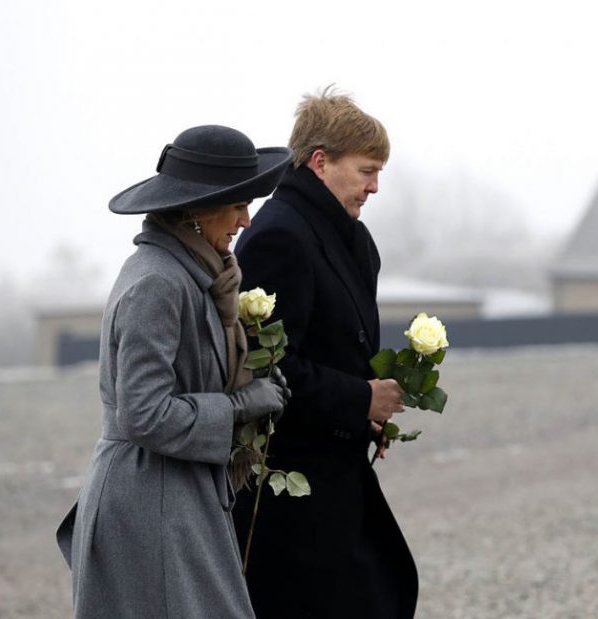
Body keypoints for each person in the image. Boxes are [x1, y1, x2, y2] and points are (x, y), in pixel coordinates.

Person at [56, 125, 293, 618]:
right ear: (197, 211)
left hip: (173, 495)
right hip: (149, 502)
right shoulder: (158, 283)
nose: (247, 221)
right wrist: (238, 406)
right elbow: (144, 414)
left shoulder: (193, 274)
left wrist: (254, 381)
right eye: (238, 206)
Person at [231, 88, 418, 618]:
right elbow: (263, 366)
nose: (375, 187)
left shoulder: (346, 236)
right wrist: (360, 400)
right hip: (290, 491)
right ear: (320, 162)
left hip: (336, 473)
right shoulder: (279, 236)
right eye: (366, 170)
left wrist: (370, 416)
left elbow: (339, 347)